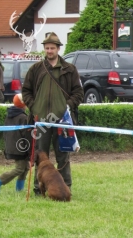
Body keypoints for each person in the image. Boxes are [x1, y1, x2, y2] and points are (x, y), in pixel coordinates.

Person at [22, 32, 83, 195]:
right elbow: (26, 91)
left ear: (58, 49)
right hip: (41, 120)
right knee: (40, 156)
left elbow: (78, 93)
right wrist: (34, 107)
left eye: (52, 48)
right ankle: (38, 188)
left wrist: (67, 107)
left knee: (63, 155)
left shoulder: (70, 70)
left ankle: (65, 186)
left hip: (62, 120)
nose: (49, 51)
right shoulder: (36, 69)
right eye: (47, 48)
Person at [0, 95, 31, 194]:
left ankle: (19, 189)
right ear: (23, 105)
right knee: (20, 168)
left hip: (12, 146)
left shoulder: (10, 115)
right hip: (20, 148)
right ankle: (0, 180)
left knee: (26, 168)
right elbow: (26, 135)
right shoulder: (23, 117)